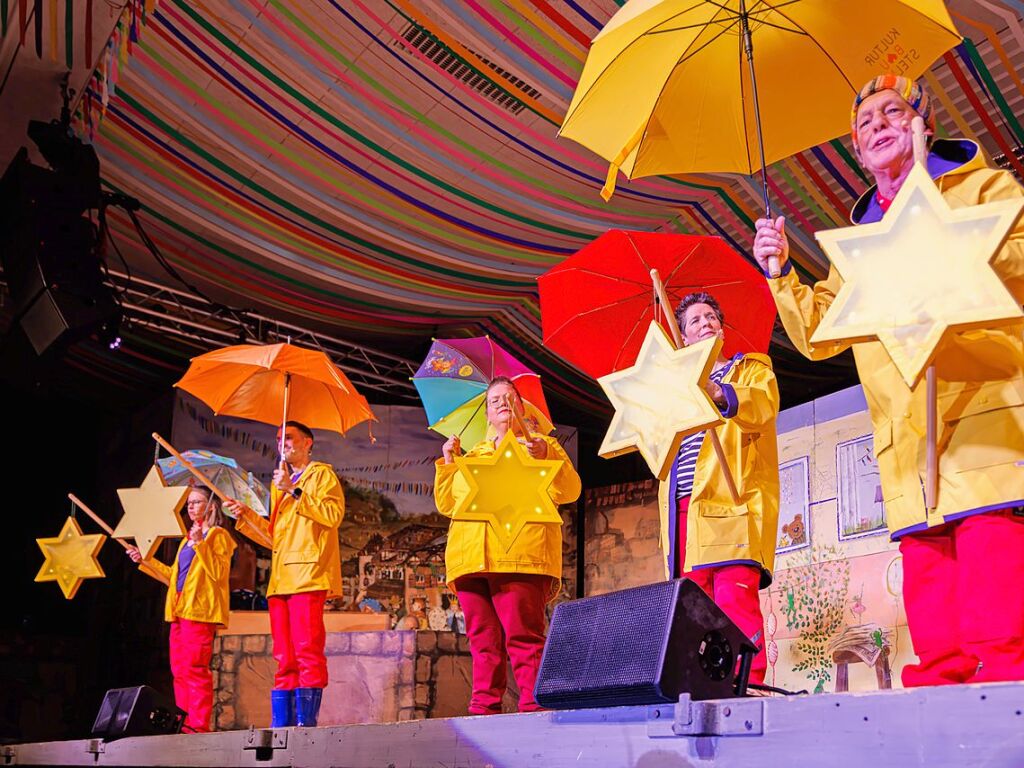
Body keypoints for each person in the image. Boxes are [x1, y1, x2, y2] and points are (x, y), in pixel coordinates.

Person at [752, 74, 1024, 687]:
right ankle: (944, 689)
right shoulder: (862, 242)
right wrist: (780, 274)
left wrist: (949, 236)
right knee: (928, 565)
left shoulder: (980, 189)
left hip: (983, 403)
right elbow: (818, 333)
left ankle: (1011, 693)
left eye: (892, 111)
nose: (878, 124)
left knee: (989, 548)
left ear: (923, 122)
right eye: (866, 120)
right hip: (904, 429)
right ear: (855, 144)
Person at [434, 376, 581, 714]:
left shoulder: (541, 446)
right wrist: (449, 463)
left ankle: (533, 708)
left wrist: (544, 457)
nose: (501, 403)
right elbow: (447, 504)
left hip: (520, 555)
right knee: (483, 642)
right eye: (494, 400)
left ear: (521, 406)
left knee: (524, 638)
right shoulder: (473, 455)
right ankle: (482, 710)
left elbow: (569, 491)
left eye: (509, 398)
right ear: (487, 414)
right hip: (470, 559)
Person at [657, 292, 780, 685]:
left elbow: (763, 406)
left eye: (711, 316)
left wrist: (720, 393)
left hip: (731, 502)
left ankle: (750, 685)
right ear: (684, 338)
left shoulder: (749, 370)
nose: (705, 322)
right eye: (694, 320)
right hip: (683, 509)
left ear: (722, 330)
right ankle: (701, 686)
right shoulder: (675, 389)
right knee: (695, 610)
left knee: (734, 601)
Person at [227, 421, 344, 726]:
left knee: (307, 650)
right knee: (284, 656)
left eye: (289, 438)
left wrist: (294, 489)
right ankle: (283, 726)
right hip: (280, 580)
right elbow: (273, 538)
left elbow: (332, 516)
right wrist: (247, 515)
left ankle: (306, 724)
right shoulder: (279, 485)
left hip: (307, 574)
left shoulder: (321, 475)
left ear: (308, 442)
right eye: (279, 439)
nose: (283, 443)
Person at [127, 484, 236, 733]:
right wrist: (145, 560)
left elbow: (218, 574)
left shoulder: (218, 535)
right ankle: (183, 722)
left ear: (212, 506)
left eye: (196, 501)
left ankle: (197, 725)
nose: (190, 506)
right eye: (189, 503)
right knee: (180, 671)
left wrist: (201, 544)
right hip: (179, 608)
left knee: (195, 669)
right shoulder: (187, 540)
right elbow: (173, 576)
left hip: (199, 611)